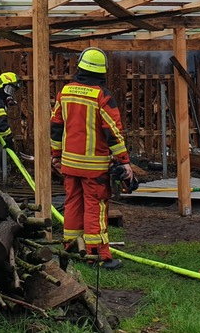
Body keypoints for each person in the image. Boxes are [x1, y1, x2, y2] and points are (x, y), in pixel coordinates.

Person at [50, 47, 132, 269]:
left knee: (73, 203)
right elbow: (113, 131)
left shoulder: (65, 92)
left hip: (69, 164)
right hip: (94, 167)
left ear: (80, 67)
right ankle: (97, 255)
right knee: (95, 207)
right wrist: (124, 161)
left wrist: (56, 155)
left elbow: (56, 125)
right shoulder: (101, 96)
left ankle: (72, 247)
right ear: (102, 72)